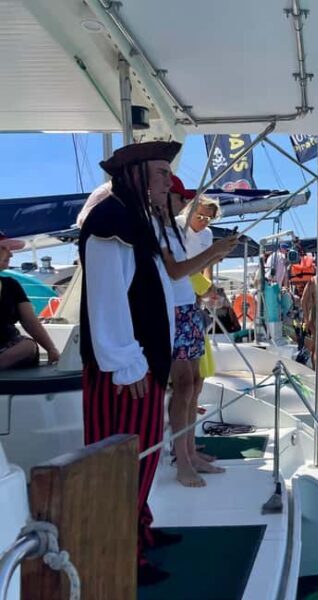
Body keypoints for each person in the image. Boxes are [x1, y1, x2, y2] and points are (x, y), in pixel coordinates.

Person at [78, 141, 179, 584]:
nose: (167, 183)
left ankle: (140, 530)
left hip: (139, 367)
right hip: (125, 374)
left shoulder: (132, 220)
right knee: (124, 463)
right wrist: (126, 361)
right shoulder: (111, 220)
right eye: (160, 174)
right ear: (136, 174)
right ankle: (122, 554)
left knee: (142, 458)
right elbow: (106, 298)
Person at [157, 176, 237, 488]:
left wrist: (215, 256)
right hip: (173, 310)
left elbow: (194, 271)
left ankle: (189, 452)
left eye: (207, 217)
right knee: (183, 386)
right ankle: (183, 460)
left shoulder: (179, 232)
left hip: (188, 306)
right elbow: (176, 271)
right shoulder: (167, 229)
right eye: (196, 212)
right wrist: (213, 253)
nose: (202, 220)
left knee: (193, 383)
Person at [0, 234, 60, 369]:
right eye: (4, 249)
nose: (10, 255)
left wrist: (51, 349)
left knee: (28, 347)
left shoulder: (11, 285)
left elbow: (30, 321)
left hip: (8, 348)